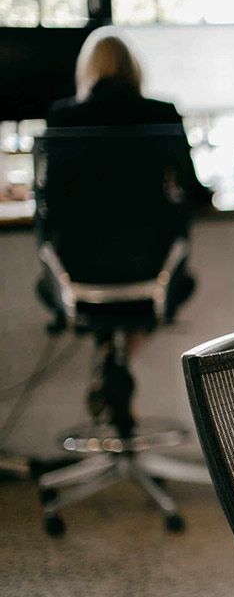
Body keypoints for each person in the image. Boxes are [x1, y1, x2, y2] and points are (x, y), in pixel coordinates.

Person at [37, 32, 212, 428]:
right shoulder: (162, 114)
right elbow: (196, 193)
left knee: (102, 306)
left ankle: (110, 361)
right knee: (143, 300)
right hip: (152, 271)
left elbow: (49, 200)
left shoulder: (63, 117)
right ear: (136, 71)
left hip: (77, 273)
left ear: (87, 72)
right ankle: (120, 362)